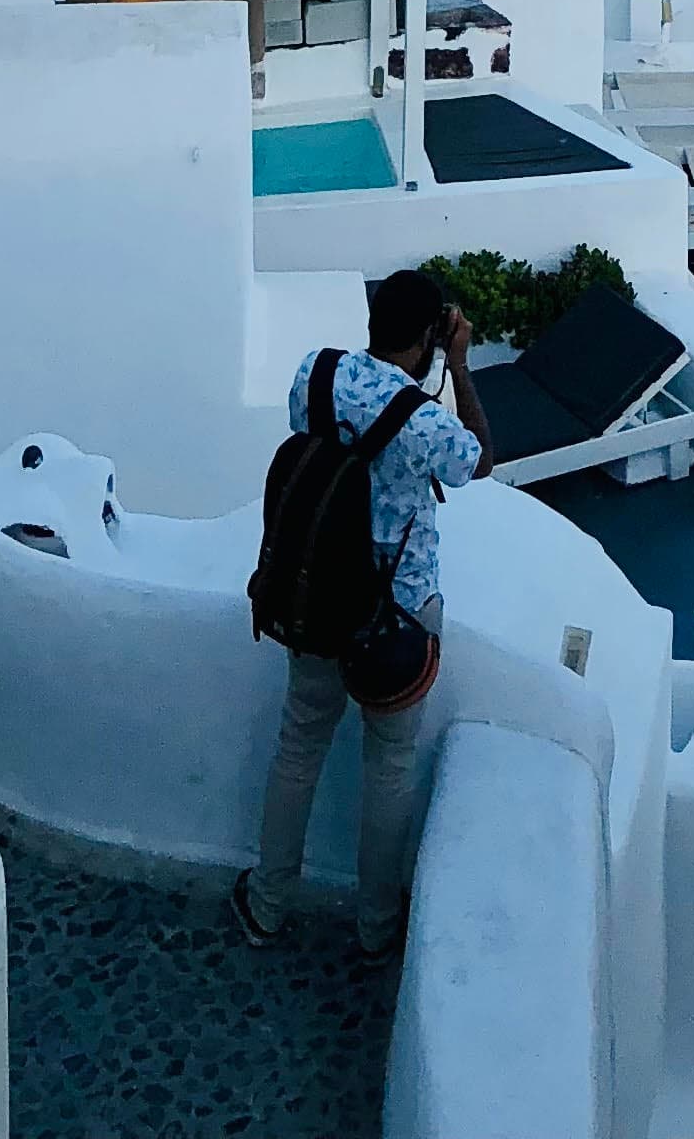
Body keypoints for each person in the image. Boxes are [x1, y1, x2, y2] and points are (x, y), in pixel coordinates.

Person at [236, 270, 491, 960]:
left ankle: (267, 905)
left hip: (315, 596)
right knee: (390, 766)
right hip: (396, 616)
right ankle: (377, 928)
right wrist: (459, 365)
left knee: (298, 748)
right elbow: (480, 459)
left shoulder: (314, 376)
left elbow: (314, 435)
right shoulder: (425, 421)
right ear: (434, 332)